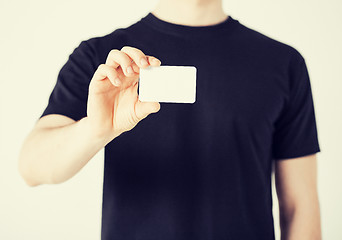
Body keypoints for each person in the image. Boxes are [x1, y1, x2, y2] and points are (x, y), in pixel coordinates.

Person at [18, 0, 322, 239]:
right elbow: (32, 167)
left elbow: (301, 207)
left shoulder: (283, 63)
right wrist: (95, 130)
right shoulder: (103, 58)